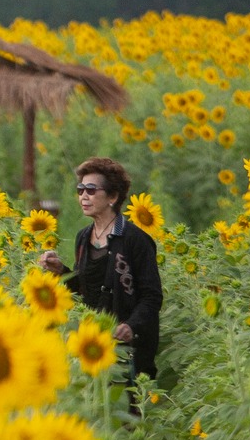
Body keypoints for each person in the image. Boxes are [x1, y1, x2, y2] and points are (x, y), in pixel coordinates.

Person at [41, 156, 163, 387]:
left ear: (113, 197)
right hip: (95, 343)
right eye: (80, 190)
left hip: (129, 348)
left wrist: (131, 325)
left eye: (91, 190)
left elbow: (152, 296)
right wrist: (60, 271)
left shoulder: (135, 240)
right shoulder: (83, 238)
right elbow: (84, 288)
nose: (83, 196)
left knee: (129, 412)